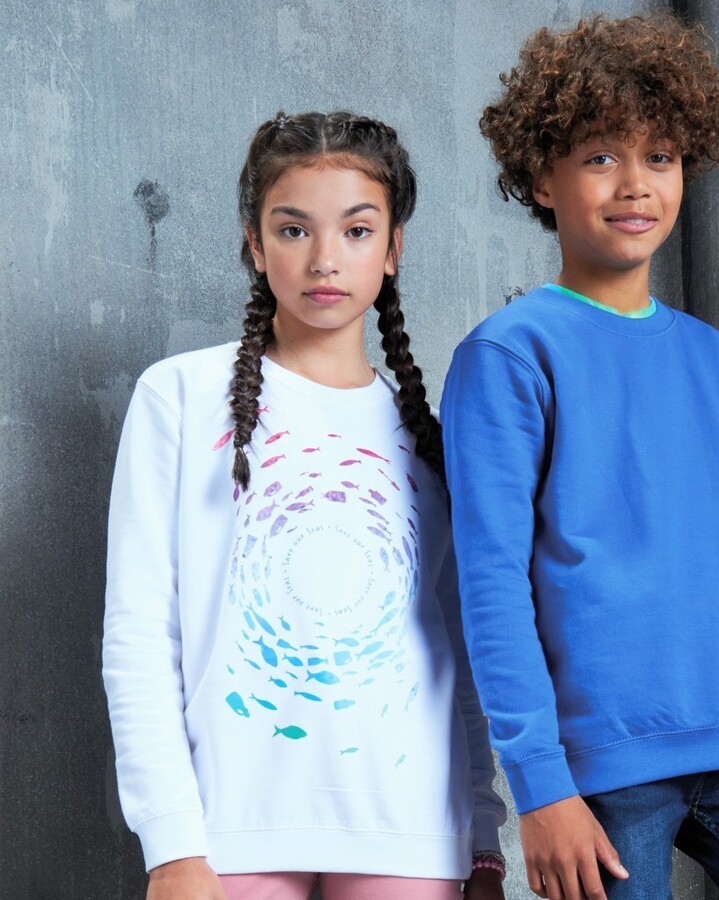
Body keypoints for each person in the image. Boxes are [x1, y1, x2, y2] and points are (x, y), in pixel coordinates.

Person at [440, 14, 719, 900]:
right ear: (540, 176)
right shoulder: (510, 354)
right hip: (604, 759)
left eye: (660, 156)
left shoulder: (718, 360)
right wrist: (540, 786)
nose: (635, 184)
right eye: (600, 156)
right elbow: (491, 584)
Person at [103, 111, 506, 900]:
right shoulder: (179, 396)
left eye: (356, 231)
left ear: (392, 249)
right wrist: (172, 843)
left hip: (413, 829)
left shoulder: (430, 436)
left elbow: (457, 655)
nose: (325, 259)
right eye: (293, 230)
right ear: (255, 245)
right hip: (229, 826)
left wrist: (483, 839)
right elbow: (141, 634)